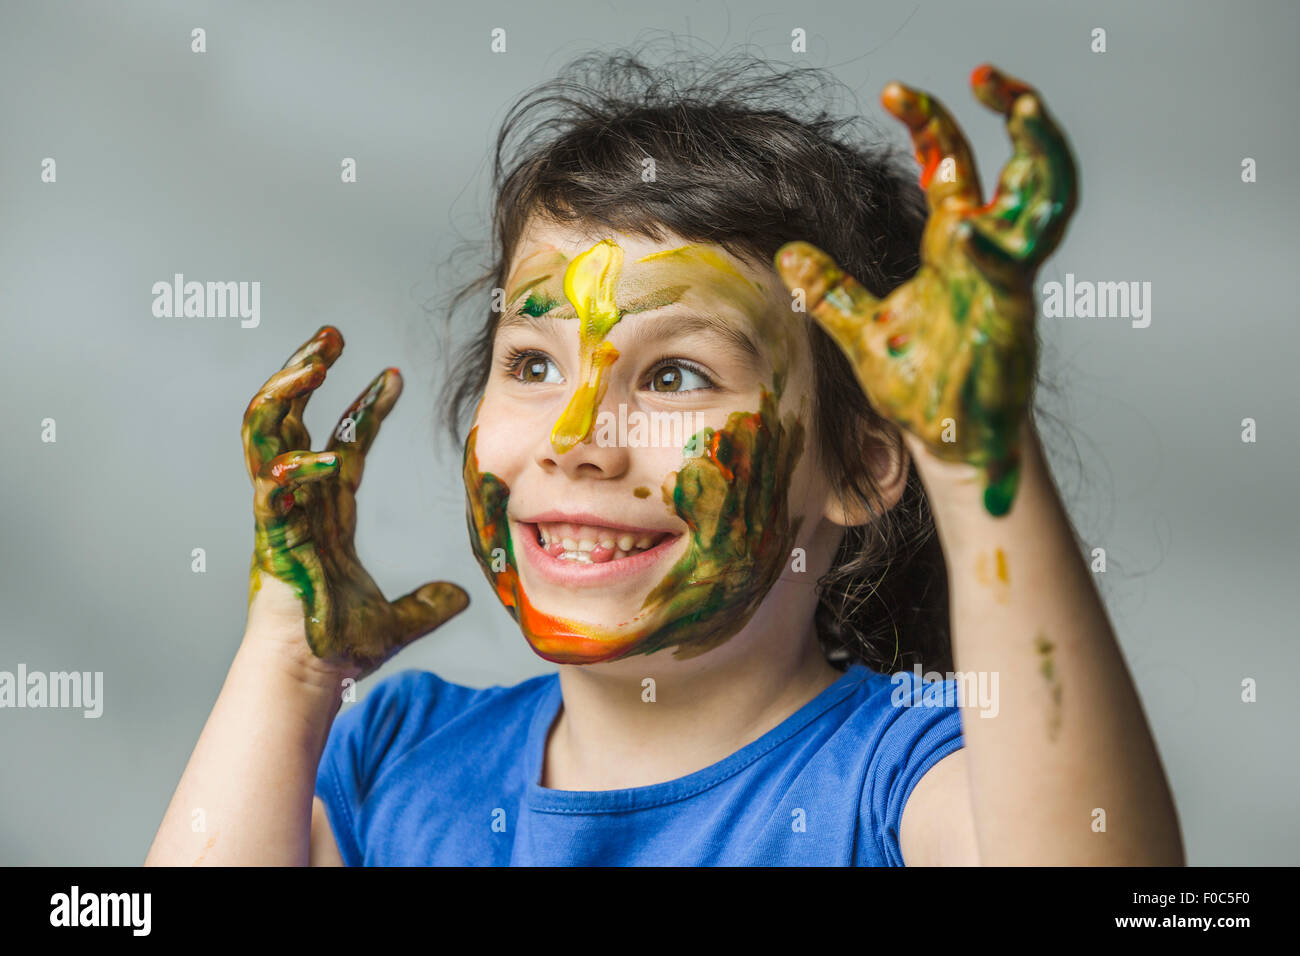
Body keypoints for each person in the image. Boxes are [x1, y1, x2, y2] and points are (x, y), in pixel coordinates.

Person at [145, 50, 1184, 866]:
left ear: (865, 464)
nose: (576, 438)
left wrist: (975, 460)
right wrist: (289, 658)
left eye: (677, 376)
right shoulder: (398, 755)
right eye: (533, 363)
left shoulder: (907, 771)